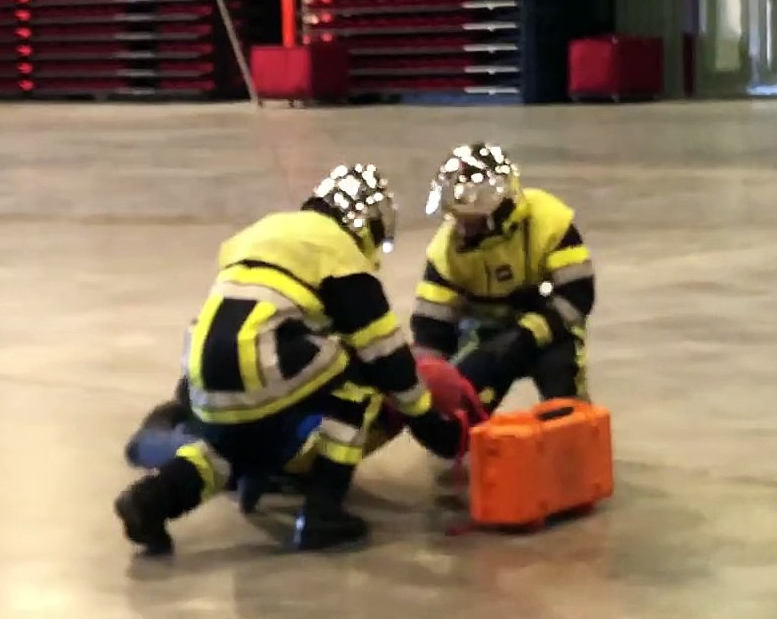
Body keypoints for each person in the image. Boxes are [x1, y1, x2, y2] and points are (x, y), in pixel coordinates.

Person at [114, 163, 471, 555]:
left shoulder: (265, 231)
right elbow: (387, 356)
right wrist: (428, 423)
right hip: (259, 360)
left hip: (204, 367)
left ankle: (149, 501)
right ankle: (323, 512)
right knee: (363, 380)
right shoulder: (338, 252)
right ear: (367, 223)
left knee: (226, 453)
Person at [410, 142, 597, 417]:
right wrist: (426, 387)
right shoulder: (444, 252)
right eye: (456, 217)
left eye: (469, 219)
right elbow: (431, 331)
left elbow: (577, 296)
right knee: (453, 415)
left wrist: (529, 335)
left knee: (565, 412)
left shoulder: (548, 220)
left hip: (552, 331)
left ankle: (569, 417)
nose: (461, 227)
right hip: (487, 337)